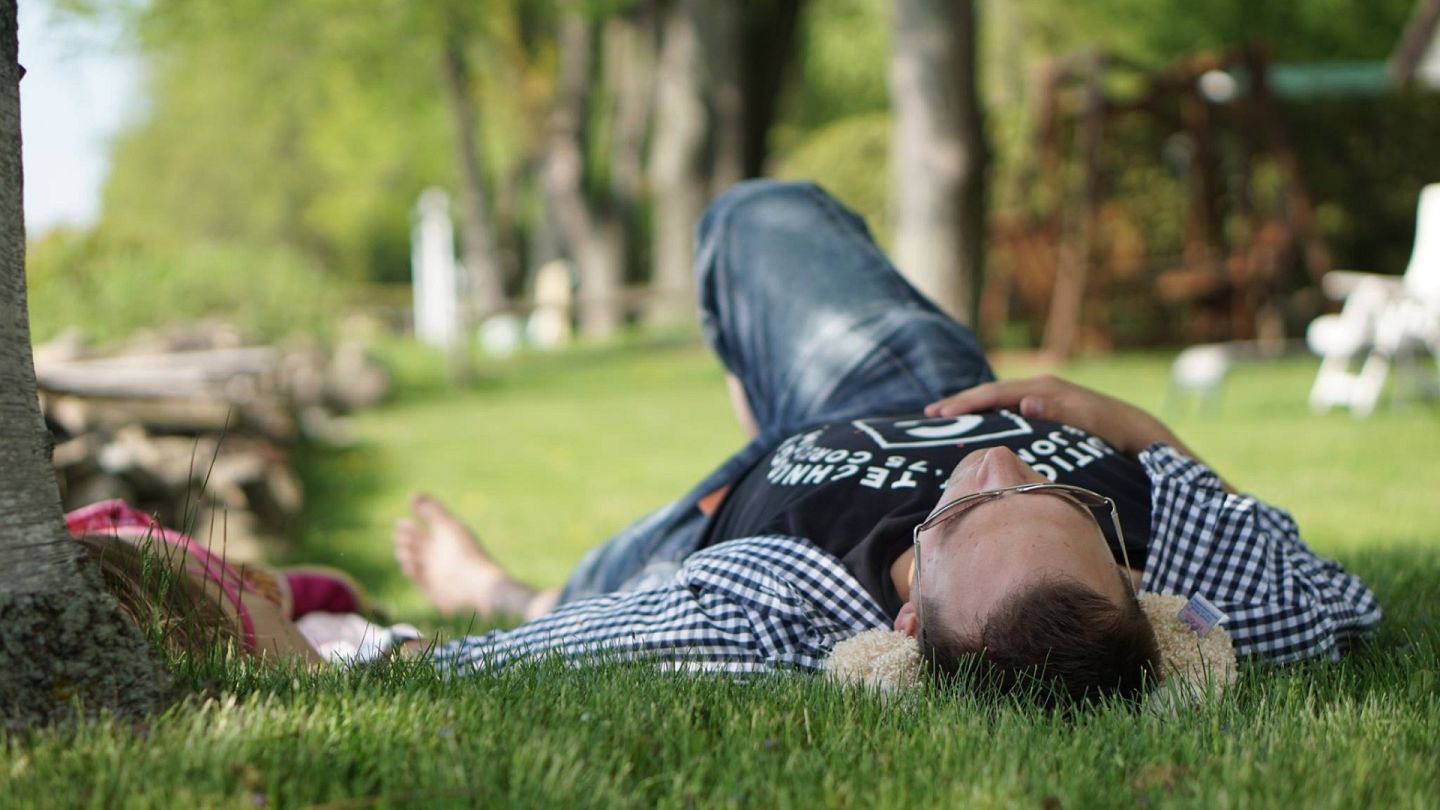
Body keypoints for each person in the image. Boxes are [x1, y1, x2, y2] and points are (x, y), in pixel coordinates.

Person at [394, 181, 1382, 702]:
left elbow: (547, 656)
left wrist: (379, 659)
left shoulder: (780, 606)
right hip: (914, 389)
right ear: (1139, 584)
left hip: (730, 521)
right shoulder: (1196, 571)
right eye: (1055, 493)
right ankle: (772, 396)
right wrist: (1129, 429)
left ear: (905, 628)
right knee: (759, 216)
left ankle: (491, 582)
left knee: (579, 592)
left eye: (966, 514)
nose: (991, 464)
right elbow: (1331, 600)